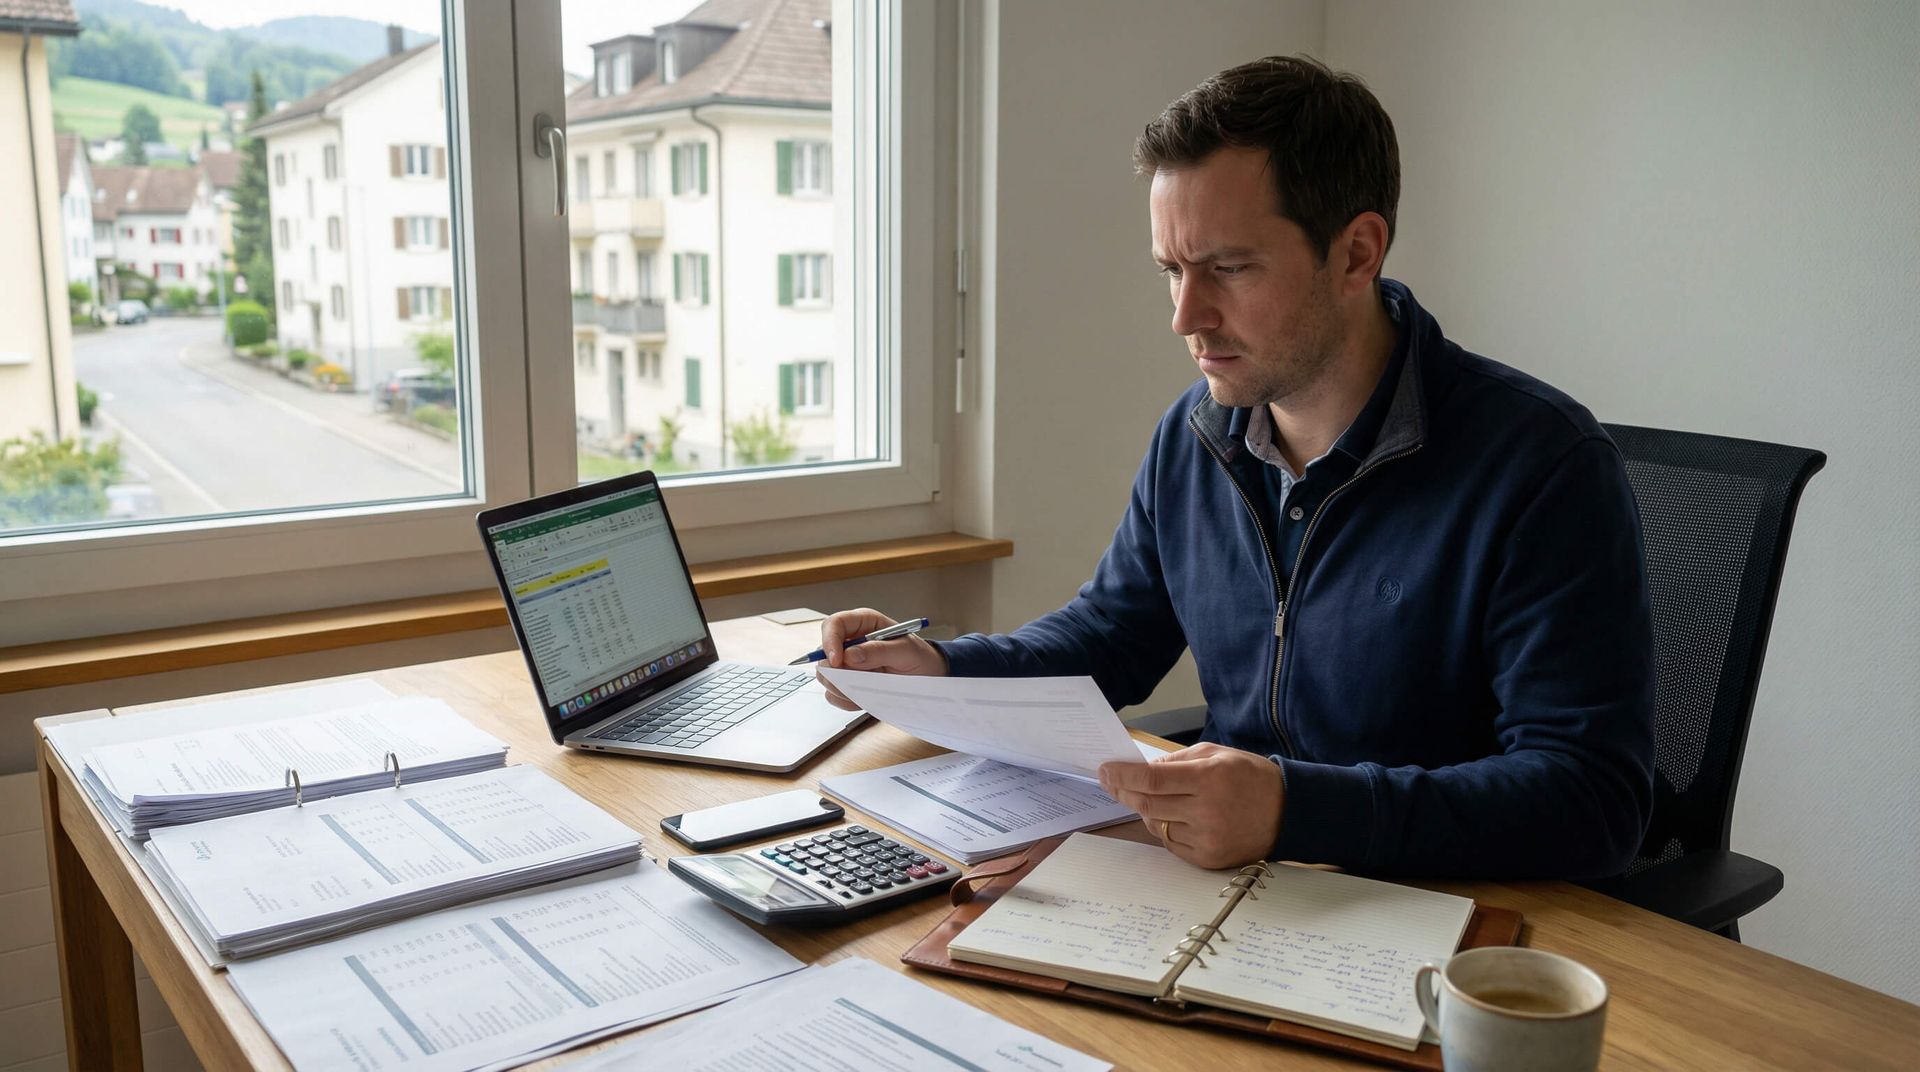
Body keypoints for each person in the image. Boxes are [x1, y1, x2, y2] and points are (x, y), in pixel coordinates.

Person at [816, 56, 1654, 880]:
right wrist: (950, 671)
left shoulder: (1542, 466)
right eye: (1173, 271)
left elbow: (1591, 799)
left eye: (1229, 267)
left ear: (1358, 253)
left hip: (1450, 921)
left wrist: (1293, 808)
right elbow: (1110, 637)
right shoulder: (1197, 433)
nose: (1188, 316)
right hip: (1248, 891)